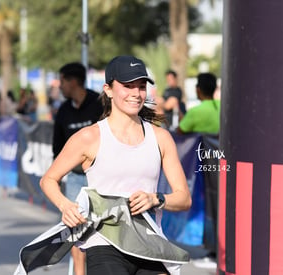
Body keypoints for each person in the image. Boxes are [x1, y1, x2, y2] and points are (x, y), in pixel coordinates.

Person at [40, 55, 192, 275]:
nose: (136, 94)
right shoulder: (89, 137)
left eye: (141, 87)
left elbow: (184, 198)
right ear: (108, 90)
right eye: (128, 86)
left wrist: (156, 198)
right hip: (104, 244)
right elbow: (48, 180)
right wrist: (66, 206)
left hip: (148, 242)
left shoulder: (161, 138)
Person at [51, 62, 103, 275]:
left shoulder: (100, 104)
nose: (59, 87)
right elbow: (57, 148)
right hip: (75, 179)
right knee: (77, 231)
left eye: (62, 81)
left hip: (100, 178)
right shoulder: (63, 111)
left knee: (102, 232)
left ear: (73, 82)